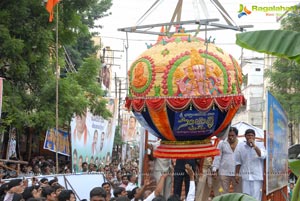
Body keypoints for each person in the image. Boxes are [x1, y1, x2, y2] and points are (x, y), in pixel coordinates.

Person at [235, 128, 266, 201]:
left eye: (252, 135)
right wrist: (236, 174)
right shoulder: (240, 146)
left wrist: (254, 146)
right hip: (246, 176)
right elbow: (238, 162)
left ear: (254, 137)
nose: (250, 137)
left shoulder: (260, 145)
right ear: (245, 136)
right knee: (245, 196)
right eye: (248, 135)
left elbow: (263, 155)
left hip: (256, 177)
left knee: (256, 197)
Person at [212, 127, 242, 194]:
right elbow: (217, 157)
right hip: (224, 172)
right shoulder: (222, 143)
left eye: (232, 135)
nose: (230, 137)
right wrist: (214, 169)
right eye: (229, 135)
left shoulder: (241, 144)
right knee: (223, 193)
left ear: (236, 135)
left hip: (237, 172)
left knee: (238, 193)